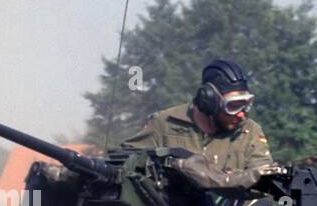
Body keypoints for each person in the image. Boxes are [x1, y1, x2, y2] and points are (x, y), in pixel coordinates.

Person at [122, 59, 285, 191]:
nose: (241, 114)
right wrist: (166, 167)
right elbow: (124, 162)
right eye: (233, 106)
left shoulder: (249, 132)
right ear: (209, 100)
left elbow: (262, 178)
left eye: (246, 104)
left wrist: (229, 179)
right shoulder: (164, 123)